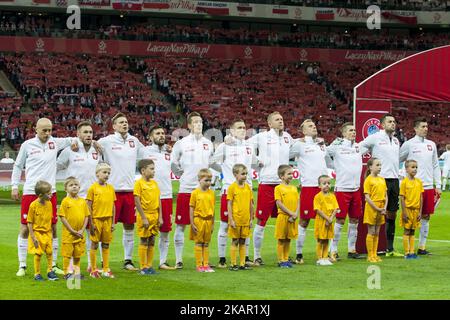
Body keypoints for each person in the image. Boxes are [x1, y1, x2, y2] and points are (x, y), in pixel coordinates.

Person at [12, 118, 77, 277]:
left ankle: (53, 264)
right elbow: (18, 165)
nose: (47, 134)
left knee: (53, 228)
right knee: (26, 227)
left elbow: (73, 139)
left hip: (51, 192)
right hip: (30, 191)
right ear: (36, 129)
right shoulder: (27, 145)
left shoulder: (54, 142)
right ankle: (22, 265)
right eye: (44, 130)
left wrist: (75, 142)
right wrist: (15, 186)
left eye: (50, 130)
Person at [98, 112, 144, 271]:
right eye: (121, 122)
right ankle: (103, 261)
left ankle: (128, 260)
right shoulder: (106, 141)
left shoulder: (134, 141)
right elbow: (90, 146)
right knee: (105, 227)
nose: (125, 124)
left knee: (129, 226)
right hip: (112, 191)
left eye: (126, 122)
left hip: (130, 190)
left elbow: (147, 154)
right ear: (114, 126)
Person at [249, 112, 294, 266]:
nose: (281, 121)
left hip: (284, 185)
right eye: (277, 119)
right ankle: (256, 256)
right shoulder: (262, 137)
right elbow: (246, 146)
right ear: (269, 124)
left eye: (282, 118)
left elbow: (296, 150)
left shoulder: (288, 137)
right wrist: (256, 162)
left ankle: (284, 256)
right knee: (262, 220)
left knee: (286, 219)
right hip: (267, 183)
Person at [211, 119, 256, 268]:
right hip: (229, 190)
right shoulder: (225, 146)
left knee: (246, 226)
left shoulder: (249, 147)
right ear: (231, 131)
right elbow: (211, 162)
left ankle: (245, 257)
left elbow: (255, 164)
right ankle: (222, 258)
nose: (243, 129)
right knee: (225, 225)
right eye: (239, 127)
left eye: (244, 127)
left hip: (246, 191)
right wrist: (224, 171)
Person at [171, 112, 213, 269]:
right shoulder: (181, 143)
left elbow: (211, 164)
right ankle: (179, 259)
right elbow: (173, 163)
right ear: (188, 125)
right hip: (186, 189)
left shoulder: (208, 143)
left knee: (204, 225)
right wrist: (183, 175)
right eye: (195, 122)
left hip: (202, 192)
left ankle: (203, 260)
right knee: (181, 225)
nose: (199, 124)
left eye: (201, 121)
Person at [57, 121, 100, 272]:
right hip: (75, 200)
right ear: (78, 134)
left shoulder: (97, 150)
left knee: (93, 233)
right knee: (72, 233)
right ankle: (69, 268)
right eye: (85, 132)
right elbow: (57, 166)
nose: (89, 135)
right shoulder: (70, 150)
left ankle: (91, 264)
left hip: (94, 198)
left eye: (90, 132)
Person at [360, 114, 402, 257]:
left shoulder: (396, 141)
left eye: (394, 121)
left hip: (394, 180)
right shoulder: (376, 137)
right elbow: (360, 147)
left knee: (392, 213)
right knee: (377, 213)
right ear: (382, 125)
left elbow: (397, 158)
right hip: (380, 180)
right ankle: (373, 251)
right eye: (389, 121)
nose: (393, 124)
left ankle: (390, 248)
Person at [399, 118, 442, 255]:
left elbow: (435, 165)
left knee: (426, 216)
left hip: (428, 185)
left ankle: (422, 247)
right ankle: (409, 248)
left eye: (427, 126)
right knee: (410, 217)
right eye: (423, 126)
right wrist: (401, 177)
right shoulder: (409, 144)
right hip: (413, 187)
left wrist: (438, 184)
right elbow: (397, 159)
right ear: (415, 129)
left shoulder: (432, 144)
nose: (426, 129)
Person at [290, 119, 329, 264]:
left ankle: (323, 254)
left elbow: (328, 161)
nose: (314, 127)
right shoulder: (299, 144)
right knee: (304, 221)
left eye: (314, 125)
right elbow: (286, 152)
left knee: (324, 220)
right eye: (310, 126)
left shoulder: (321, 144)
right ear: (303, 131)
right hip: (308, 187)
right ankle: (299, 254)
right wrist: (295, 140)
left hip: (323, 188)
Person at [326, 123, 366, 260]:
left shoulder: (358, 147)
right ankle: (333, 249)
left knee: (354, 220)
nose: (353, 132)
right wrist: (331, 164)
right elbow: (325, 152)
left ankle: (351, 249)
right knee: (340, 220)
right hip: (342, 189)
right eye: (350, 130)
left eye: (354, 130)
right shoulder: (337, 147)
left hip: (356, 189)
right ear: (343, 133)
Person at [138, 125, 175, 270]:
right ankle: (145, 263)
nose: (161, 135)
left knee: (165, 230)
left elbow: (176, 168)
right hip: (149, 197)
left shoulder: (168, 153)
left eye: (163, 133)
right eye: (157, 133)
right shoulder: (144, 151)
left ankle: (162, 261)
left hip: (166, 195)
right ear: (150, 137)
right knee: (147, 233)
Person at [86, 163, 116, 278]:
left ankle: (105, 268)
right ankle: (93, 269)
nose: (107, 175)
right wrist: (91, 222)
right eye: (104, 172)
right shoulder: (93, 188)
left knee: (106, 244)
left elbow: (113, 206)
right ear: (97, 174)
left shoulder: (111, 188)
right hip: (96, 220)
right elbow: (88, 206)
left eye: (108, 173)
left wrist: (113, 222)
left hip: (107, 220)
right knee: (94, 244)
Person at [134, 159, 163, 275]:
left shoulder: (155, 184)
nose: (153, 171)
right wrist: (144, 217)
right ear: (143, 170)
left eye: (154, 169)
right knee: (144, 240)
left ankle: (149, 265)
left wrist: (160, 216)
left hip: (155, 215)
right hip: (145, 215)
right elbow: (137, 201)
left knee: (152, 240)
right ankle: (143, 266)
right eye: (151, 169)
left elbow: (158, 200)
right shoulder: (139, 184)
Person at [27, 180, 59, 281]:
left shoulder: (49, 204)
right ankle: (37, 274)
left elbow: (49, 219)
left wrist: (52, 232)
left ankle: (50, 271)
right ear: (41, 195)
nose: (51, 195)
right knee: (38, 253)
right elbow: (29, 222)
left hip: (47, 233)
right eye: (49, 193)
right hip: (37, 233)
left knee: (49, 252)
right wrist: (33, 237)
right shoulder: (33, 205)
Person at [58, 177, 89, 279]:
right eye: (71, 185)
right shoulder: (65, 201)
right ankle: (67, 273)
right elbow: (62, 217)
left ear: (79, 187)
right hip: (69, 234)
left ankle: (76, 273)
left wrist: (82, 229)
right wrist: (71, 230)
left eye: (76, 185)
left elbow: (86, 216)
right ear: (66, 189)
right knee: (67, 254)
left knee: (77, 254)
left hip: (79, 234)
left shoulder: (82, 201)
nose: (74, 186)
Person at [227, 164, 254, 271]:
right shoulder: (232, 188)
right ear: (235, 175)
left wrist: (251, 218)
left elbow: (251, 204)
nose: (245, 176)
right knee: (235, 241)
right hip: (236, 219)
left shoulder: (248, 187)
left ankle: (242, 263)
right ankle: (233, 264)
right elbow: (229, 204)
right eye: (242, 174)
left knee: (243, 241)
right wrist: (231, 219)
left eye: (246, 174)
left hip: (246, 219)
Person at [189, 168, 215, 273]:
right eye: (206, 180)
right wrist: (192, 223)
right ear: (199, 179)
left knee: (206, 243)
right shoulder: (195, 193)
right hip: (198, 220)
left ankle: (206, 264)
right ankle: (199, 264)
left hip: (208, 221)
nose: (208, 183)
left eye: (210, 180)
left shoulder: (211, 193)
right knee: (199, 243)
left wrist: (213, 223)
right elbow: (191, 208)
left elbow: (213, 209)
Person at [363, 158, 387, 263]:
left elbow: (386, 195)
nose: (379, 167)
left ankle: (375, 254)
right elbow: (367, 197)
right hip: (372, 208)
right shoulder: (368, 180)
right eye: (377, 165)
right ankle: (370, 255)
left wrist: (384, 207)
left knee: (377, 231)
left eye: (380, 165)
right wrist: (377, 208)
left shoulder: (382, 179)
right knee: (371, 231)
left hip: (381, 208)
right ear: (370, 167)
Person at [274, 165, 298, 268]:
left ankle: (286, 258)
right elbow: (279, 203)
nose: (291, 176)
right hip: (283, 217)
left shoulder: (294, 188)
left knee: (288, 239)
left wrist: (296, 213)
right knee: (281, 239)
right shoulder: (278, 188)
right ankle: (281, 260)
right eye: (289, 174)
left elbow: (298, 202)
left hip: (292, 218)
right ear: (281, 176)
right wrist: (290, 213)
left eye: (292, 174)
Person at [399, 160, 423, 259]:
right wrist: (404, 212)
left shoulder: (419, 182)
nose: (415, 169)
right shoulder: (404, 182)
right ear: (406, 169)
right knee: (407, 231)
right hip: (407, 210)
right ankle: (406, 252)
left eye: (416, 167)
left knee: (413, 231)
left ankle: (412, 252)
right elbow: (402, 198)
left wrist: (420, 211)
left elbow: (421, 197)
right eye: (412, 167)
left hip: (416, 210)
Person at [313, 175, 339, 266]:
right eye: (324, 183)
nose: (327, 185)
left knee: (327, 239)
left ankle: (325, 257)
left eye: (328, 183)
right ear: (319, 186)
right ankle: (320, 258)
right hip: (321, 221)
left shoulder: (332, 196)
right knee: (321, 240)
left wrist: (331, 218)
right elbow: (317, 210)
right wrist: (327, 218)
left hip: (330, 221)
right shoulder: (317, 197)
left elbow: (336, 208)